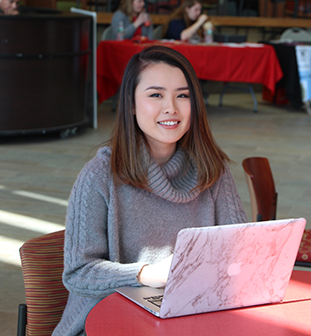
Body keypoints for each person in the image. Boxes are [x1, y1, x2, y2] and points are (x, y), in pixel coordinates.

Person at [52, 46, 247, 336]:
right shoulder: (99, 175)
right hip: (104, 323)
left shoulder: (213, 170)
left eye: (183, 95)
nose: (172, 107)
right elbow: (78, 273)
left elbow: (241, 252)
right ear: (130, 104)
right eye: (156, 95)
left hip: (188, 316)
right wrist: (145, 274)